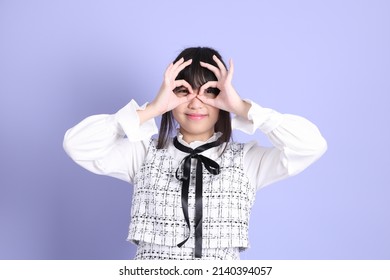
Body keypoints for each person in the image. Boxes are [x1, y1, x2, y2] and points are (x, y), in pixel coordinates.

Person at [63, 46, 327, 260]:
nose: (196, 102)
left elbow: (310, 145)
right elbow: (78, 144)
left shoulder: (247, 160)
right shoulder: (143, 154)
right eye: (182, 90)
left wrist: (242, 108)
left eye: (210, 91)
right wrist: (152, 110)